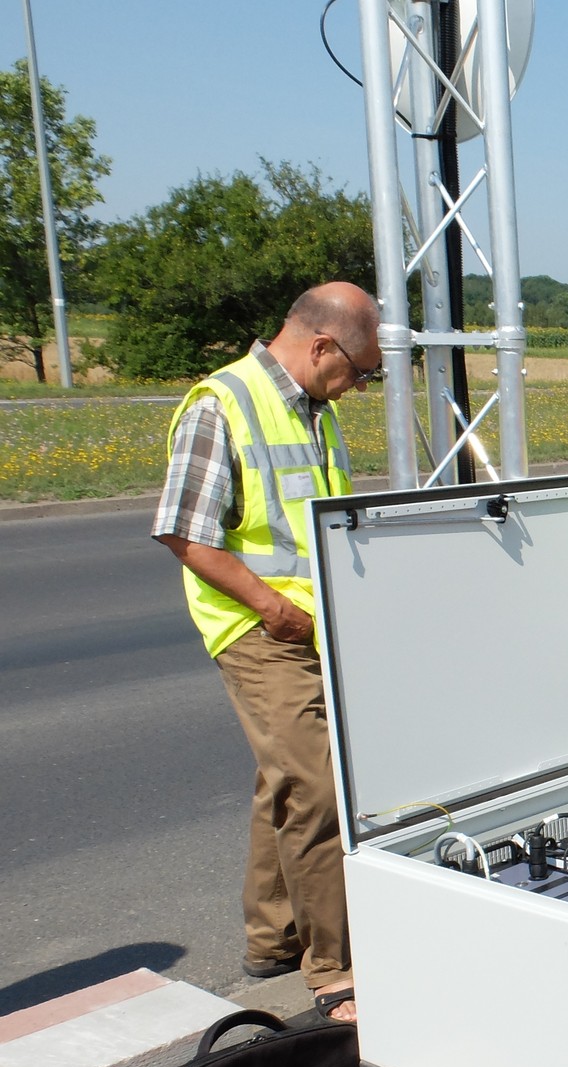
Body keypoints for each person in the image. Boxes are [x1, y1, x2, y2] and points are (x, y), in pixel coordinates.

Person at [152, 283, 380, 1024]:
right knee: (317, 786)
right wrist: (272, 606)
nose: (359, 386)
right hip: (259, 627)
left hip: (311, 623)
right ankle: (335, 970)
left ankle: (272, 935)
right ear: (321, 347)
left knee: (284, 775)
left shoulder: (316, 411)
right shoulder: (226, 403)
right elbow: (185, 532)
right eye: (358, 371)